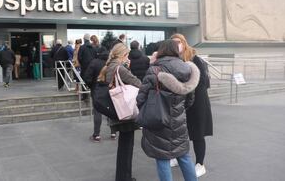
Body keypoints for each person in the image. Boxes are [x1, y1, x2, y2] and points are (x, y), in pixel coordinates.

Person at [136, 39, 200, 181]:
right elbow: (190, 99)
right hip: (179, 121)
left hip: (158, 120)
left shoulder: (155, 69)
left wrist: (146, 110)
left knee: (162, 158)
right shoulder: (187, 69)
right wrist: (178, 110)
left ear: (161, 51)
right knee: (183, 156)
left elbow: (141, 98)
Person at [171, 33, 213, 177]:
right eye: (173, 43)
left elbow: (203, 83)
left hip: (198, 102)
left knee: (198, 134)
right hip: (182, 103)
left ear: (184, 42)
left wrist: (185, 89)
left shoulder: (195, 59)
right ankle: (179, 157)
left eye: (178, 42)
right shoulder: (175, 59)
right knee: (181, 133)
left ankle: (200, 164)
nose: (176, 45)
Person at [97, 43, 141, 181]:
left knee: (123, 145)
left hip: (116, 110)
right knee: (127, 147)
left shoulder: (109, 66)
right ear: (124, 55)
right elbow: (138, 83)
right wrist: (127, 68)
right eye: (127, 55)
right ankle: (124, 177)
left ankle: (123, 176)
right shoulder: (120, 68)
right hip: (125, 111)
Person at [83, 46, 117, 142]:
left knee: (97, 111)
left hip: (96, 89)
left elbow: (87, 77)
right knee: (110, 110)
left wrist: (91, 86)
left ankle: (96, 135)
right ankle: (113, 132)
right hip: (110, 88)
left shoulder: (94, 62)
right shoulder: (111, 63)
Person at [78, 34, 97, 99]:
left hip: (84, 67)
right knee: (92, 80)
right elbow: (95, 56)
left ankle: (85, 95)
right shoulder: (93, 47)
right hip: (93, 66)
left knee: (83, 80)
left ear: (84, 39)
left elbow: (79, 58)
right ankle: (92, 94)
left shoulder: (82, 47)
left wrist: (82, 64)